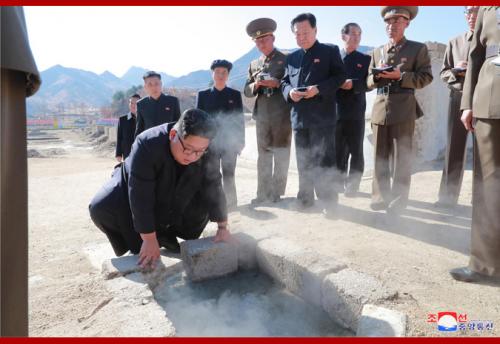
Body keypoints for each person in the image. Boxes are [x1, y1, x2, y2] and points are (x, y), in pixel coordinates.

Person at [89, 109, 233, 269]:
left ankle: (167, 235)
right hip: (134, 185)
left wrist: (222, 226)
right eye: (188, 149)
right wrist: (149, 239)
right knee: (100, 206)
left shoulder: (206, 148)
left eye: (199, 152)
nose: (193, 156)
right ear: (173, 135)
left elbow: (214, 185)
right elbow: (140, 194)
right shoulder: (147, 144)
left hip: (180, 186)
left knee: (204, 197)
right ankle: (141, 241)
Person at [450, 6, 500, 283]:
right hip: (490, 102)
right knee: (488, 186)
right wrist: (467, 103)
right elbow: (476, 55)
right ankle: (485, 265)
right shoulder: (487, 9)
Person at [367, 6, 433, 214]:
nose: (391, 25)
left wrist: (400, 77)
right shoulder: (377, 51)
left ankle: (398, 202)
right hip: (380, 108)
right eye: (388, 21)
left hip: (404, 108)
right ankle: (379, 197)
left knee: (402, 158)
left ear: (407, 23)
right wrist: (377, 76)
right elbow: (368, 81)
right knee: (380, 155)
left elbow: (426, 77)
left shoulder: (417, 49)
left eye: (397, 21)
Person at [280, 13, 346, 216]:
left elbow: (340, 76)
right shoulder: (292, 57)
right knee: (303, 161)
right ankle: (305, 199)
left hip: (323, 119)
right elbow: (284, 82)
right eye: (297, 34)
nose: (301, 37)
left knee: (325, 160)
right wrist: (289, 93)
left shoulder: (329, 51)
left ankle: (329, 203)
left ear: (315, 30)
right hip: (299, 119)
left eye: (305, 32)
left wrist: (318, 89)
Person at [244, 17, 292, 204]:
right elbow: (246, 90)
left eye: (264, 39)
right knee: (263, 155)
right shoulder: (254, 64)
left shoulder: (286, 59)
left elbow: (293, 83)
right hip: (262, 114)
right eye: (257, 41)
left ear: (273, 38)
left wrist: (277, 83)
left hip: (282, 113)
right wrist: (256, 85)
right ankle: (262, 193)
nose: (261, 43)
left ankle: (277, 193)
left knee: (281, 153)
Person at [436, 6, 480, 207]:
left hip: (483, 99)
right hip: (458, 98)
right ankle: (447, 199)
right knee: (454, 148)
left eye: (477, 10)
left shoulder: (494, 39)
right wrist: (455, 71)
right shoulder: (454, 42)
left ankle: (481, 202)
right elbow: (443, 73)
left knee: (483, 152)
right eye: (469, 11)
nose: (472, 16)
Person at [196, 59, 245, 210]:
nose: (221, 75)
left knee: (229, 175)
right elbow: (198, 120)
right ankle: (214, 205)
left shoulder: (235, 95)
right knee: (212, 175)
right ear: (212, 74)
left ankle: (232, 205)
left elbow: (239, 119)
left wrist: (240, 141)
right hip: (210, 143)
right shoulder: (203, 95)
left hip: (230, 143)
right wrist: (199, 143)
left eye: (224, 72)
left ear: (228, 75)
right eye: (217, 72)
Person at [335, 23, 371, 197]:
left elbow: (370, 83)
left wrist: (353, 84)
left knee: (356, 150)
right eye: (353, 34)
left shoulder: (365, 60)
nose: (357, 37)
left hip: (356, 111)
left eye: (359, 34)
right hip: (335, 111)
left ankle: (353, 186)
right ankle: (338, 183)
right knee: (337, 150)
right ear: (344, 36)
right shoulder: (334, 58)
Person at [134, 71, 181, 137]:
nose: (154, 87)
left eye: (156, 83)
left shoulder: (173, 101)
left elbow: (178, 125)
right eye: (150, 84)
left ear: (161, 84)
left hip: (169, 143)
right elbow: (139, 129)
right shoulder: (141, 104)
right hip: (148, 143)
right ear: (145, 86)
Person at [116, 93, 141, 162]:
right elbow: (119, 137)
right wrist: (118, 154)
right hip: (127, 153)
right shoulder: (122, 120)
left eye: (136, 103)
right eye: (131, 103)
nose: (133, 105)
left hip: (142, 152)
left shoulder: (145, 118)